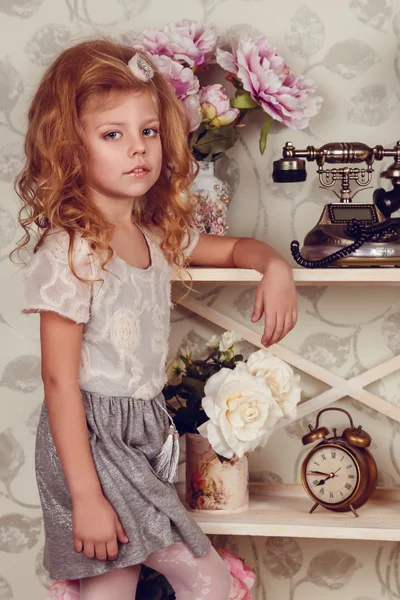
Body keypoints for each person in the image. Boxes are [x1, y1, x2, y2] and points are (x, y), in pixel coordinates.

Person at [14, 39, 297, 600]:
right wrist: (86, 496)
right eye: (112, 134)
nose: (138, 149)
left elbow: (234, 248)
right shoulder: (71, 250)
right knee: (200, 579)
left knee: (118, 580)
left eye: (147, 131)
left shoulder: (153, 237)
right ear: (71, 148)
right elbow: (58, 382)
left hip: (141, 432)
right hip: (93, 440)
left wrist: (274, 265)